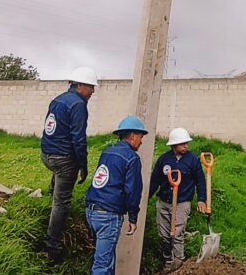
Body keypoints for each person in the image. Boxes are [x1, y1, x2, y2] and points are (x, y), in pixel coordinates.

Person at [40, 66, 97, 263]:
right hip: (63, 159)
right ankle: (53, 248)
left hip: (46, 155)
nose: (93, 91)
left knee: (57, 185)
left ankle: (51, 193)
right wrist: (83, 165)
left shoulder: (58, 99)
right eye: (91, 87)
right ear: (80, 85)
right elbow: (78, 139)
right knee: (62, 203)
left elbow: (50, 129)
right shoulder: (78, 104)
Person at [85, 116, 147, 275]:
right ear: (132, 136)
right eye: (140, 137)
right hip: (108, 215)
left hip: (91, 211)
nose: (141, 142)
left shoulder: (107, 152)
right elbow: (133, 191)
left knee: (107, 259)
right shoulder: (132, 158)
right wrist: (133, 217)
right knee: (102, 265)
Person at [149, 127, 207, 273]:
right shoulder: (164, 159)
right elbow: (154, 181)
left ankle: (179, 262)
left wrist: (201, 199)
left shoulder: (193, 160)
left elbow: (200, 181)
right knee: (163, 235)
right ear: (174, 145)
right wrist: (145, 198)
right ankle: (168, 260)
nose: (186, 146)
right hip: (164, 201)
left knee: (177, 233)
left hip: (182, 202)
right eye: (183, 143)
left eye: (187, 143)